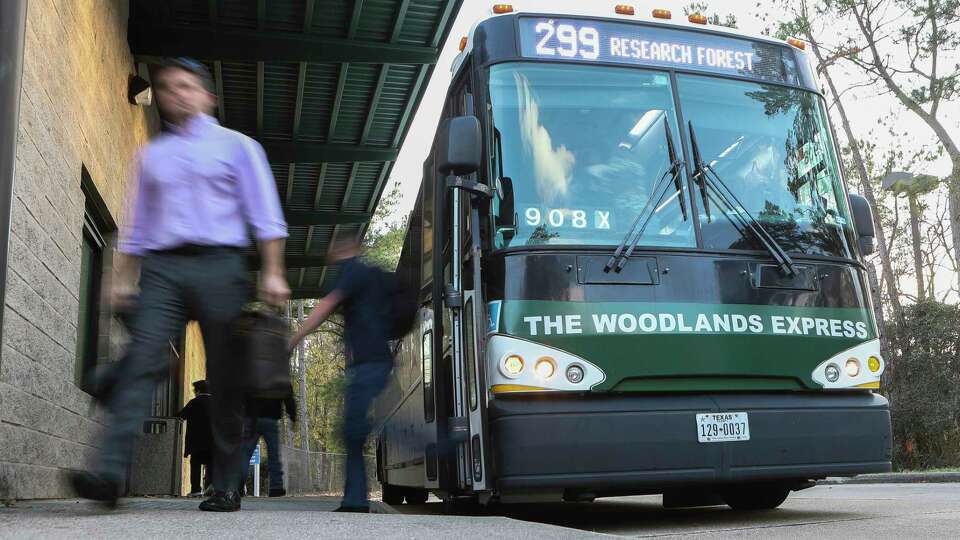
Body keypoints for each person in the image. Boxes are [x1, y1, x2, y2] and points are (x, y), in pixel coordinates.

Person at [70, 57, 290, 512]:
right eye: (167, 88)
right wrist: (121, 278)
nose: (176, 94)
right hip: (164, 270)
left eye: (186, 86)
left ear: (208, 95)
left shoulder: (238, 147)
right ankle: (109, 476)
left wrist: (272, 270)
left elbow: (266, 215)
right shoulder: (152, 156)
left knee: (226, 380)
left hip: (221, 266)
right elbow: (138, 226)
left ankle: (227, 484)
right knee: (140, 362)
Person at [289, 239, 393, 513]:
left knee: (352, 431)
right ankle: (355, 498)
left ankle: (356, 500)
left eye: (334, 250)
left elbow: (327, 304)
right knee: (353, 430)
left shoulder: (352, 269)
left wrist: (296, 337)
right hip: (378, 361)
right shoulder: (374, 275)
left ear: (346, 249)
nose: (330, 255)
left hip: (367, 363)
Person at [241, 397, 297, 497]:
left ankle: (238, 484)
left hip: (251, 416)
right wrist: (292, 415)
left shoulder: (252, 380)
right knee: (273, 454)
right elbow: (287, 392)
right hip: (270, 416)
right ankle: (276, 487)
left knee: (245, 453)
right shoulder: (278, 380)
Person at [179, 380, 214, 497]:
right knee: (213, 464)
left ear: (198, 391)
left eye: (194, 390)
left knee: (195, 464)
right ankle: (213, 487)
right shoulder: (217, 403)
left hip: (196, 442)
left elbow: (180, 416)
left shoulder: (194, 403)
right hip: (213, 442)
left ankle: (196, 490)